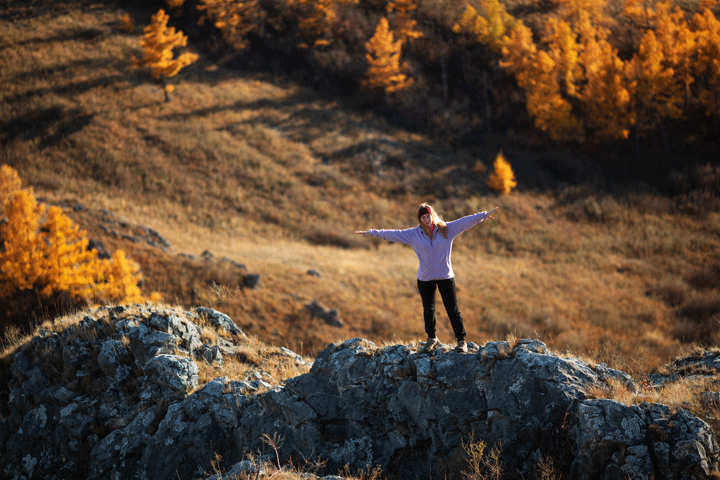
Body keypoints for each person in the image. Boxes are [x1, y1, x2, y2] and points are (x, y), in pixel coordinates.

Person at [355, 203, 499, 353]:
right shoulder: (413, 234)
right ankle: (432, 338)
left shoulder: (446, 229)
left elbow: (465, 221)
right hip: (425, 278)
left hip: (445, 276)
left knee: (452, 309)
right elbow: (392, 233)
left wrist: (483, 215)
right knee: (428, 310)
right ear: (420, 219)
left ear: (432, 215)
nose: (426, 219)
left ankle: (461, 341)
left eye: (428, 216)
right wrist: (372, 232)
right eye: (422, 217)